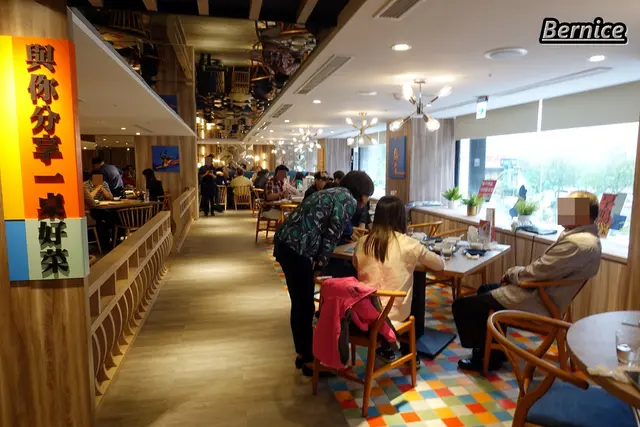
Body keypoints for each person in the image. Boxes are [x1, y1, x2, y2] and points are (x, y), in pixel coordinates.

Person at [452, 191, 602, 372]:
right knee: (485, 289)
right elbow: (543, 270)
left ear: (584, 214)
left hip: (540, 300)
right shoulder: (586, 239)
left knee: (462, 306)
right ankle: (492, 352)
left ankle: (485, 358)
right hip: (545, 294)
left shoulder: (577, 244)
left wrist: (511, 273)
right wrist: (516, 275)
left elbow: (535, 273)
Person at [274, 171, 374, 377]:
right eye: (367, 196)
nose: (366, 201)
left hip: (286, 242)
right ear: (361, 193)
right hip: (297, 247)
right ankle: (310, 360)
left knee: (299, 302)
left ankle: (303, 353)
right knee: (304, 304)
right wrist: (320, 265)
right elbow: (331, 236)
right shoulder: (348, 200)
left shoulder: (333, 193)